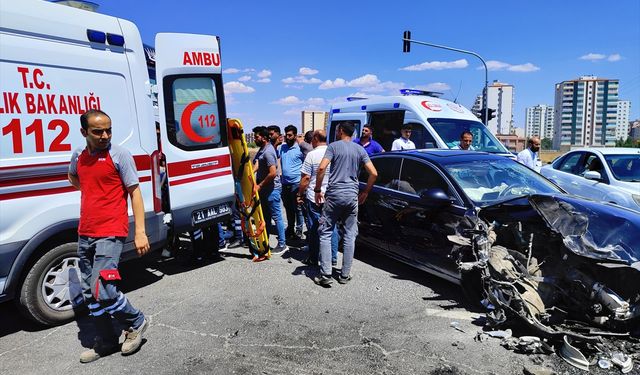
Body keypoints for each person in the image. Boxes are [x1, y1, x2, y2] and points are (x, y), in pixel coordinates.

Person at [68, 109, 149, 363]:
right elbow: (74, 178)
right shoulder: (79, 156)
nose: (105, 135)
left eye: (108, 130)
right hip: (86, 231)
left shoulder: (120, 155)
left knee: (104, 289)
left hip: (111, 231)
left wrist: (140, 232)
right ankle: (106, 341)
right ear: (84, 132)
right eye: (98, 131)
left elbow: (135, 192)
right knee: (89, 292)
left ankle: (136, 321)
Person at [313, 121, 378, 286]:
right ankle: (344, 275)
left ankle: (326, 274)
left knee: (326, 232)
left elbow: (321, 169)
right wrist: (365, 192)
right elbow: (374, 173)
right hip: (351, 196)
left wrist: (317, 190)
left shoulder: (333, 147)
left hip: (335, 195)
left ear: (340, 131)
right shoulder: (360, 149)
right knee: (350, 235)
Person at [297, 130, 339, 266]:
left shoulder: (312, 155)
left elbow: (306, 178)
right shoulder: (333, 153)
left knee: (315, 227)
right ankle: (332, 258)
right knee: (331, 227)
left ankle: (314, 258)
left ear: (315, 138)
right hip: (331, 195)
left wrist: (299, 194)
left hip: (314, 196)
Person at [252, 126, 288, 255]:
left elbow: (272, 173)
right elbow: (257, 163)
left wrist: (259, 185)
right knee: (265, 217)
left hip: (271, 189)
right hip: (264, 189)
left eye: (256, 137)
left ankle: (282, 244)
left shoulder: (268, 151)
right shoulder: (262, 149)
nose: (255, 139)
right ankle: (265, 241)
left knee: (276, 216)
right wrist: (251, 172)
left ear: (264, 137)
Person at [280, 125, 306, 241]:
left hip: (296, 184)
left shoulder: (300, 149)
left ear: (295, 136)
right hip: (285, 183)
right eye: (286, 135)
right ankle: (290, 229)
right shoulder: (282, 148)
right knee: (288, 208)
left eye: (290, 135)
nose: (287, 137)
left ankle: (299, 230)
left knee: (298, 208)